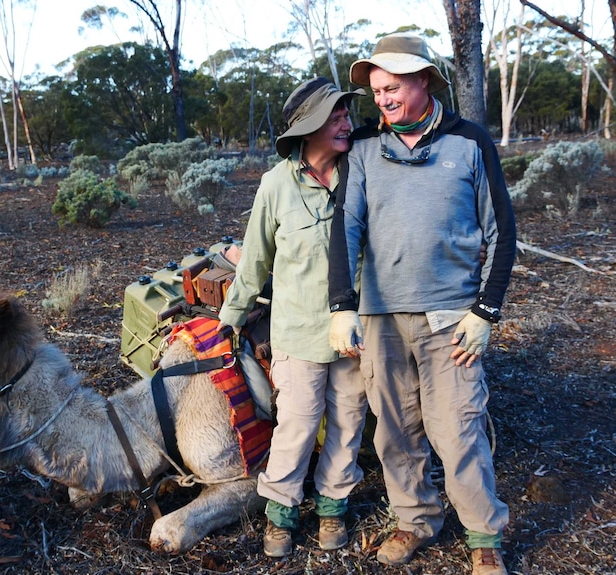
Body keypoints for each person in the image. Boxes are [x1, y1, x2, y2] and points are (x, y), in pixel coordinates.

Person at [327, 34, 517, 575]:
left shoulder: (468, 141)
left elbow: (502, 231)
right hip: (380, 318)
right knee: (394, 429)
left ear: (423, 82)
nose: (382, 98)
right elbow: (347, 228)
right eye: (376, 90)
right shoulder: (364, 149)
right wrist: (343, 304)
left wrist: (486, 311)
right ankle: (414, 520)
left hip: (452, 318)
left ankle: (483, 535)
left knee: (457, 427)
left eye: (392, 88)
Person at [218, 77, 369, 558]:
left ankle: (332, 507)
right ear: (310, 129)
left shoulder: (362, 172)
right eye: (336, 117)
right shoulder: (275, 185)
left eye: (346, 114)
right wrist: (231, 318)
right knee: (299, 424)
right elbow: (255, 260)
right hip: (298, 333)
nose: (347, 122)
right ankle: (281, 513)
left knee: (348, 421)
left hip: (355, 332)